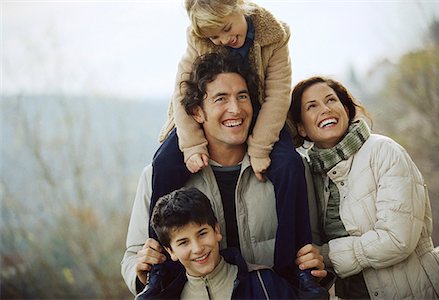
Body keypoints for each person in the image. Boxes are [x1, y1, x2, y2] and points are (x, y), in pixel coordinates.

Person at [121, 52, 331, 296]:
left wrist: (318, 263)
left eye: (242, 97)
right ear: (198, 112)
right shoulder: (157, 176)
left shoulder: (292, 170)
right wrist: (141, 272)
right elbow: (132, 255)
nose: (236, 109)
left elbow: (314, 243)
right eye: (221, 99)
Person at [151, 0, 313, 286]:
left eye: (226, 29)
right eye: (215, 37)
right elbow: (182, 93)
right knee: (163, 163)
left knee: (290, 166)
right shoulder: (198, 38)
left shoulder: (273, 37)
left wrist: (261, 148)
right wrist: (192, 146)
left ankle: (296, 268)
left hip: (261, 115)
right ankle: (158, 265)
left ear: (239, 5)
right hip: (202, 119)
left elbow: (277, 96)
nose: (224, 40)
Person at [289, 76, 439, 299]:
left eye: (331, 100)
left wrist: (325, 255)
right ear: (301, 128)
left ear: (345, 109)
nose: (325, 109)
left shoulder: (384, 152)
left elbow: (397, 240)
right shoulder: (310, 175)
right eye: (312, 106)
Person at [136, 187, 329, 299]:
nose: (197, 248)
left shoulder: (264, 284)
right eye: (183, 242)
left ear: (217, 231)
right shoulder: (171, 296)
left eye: (202, 233)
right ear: (171, 251)